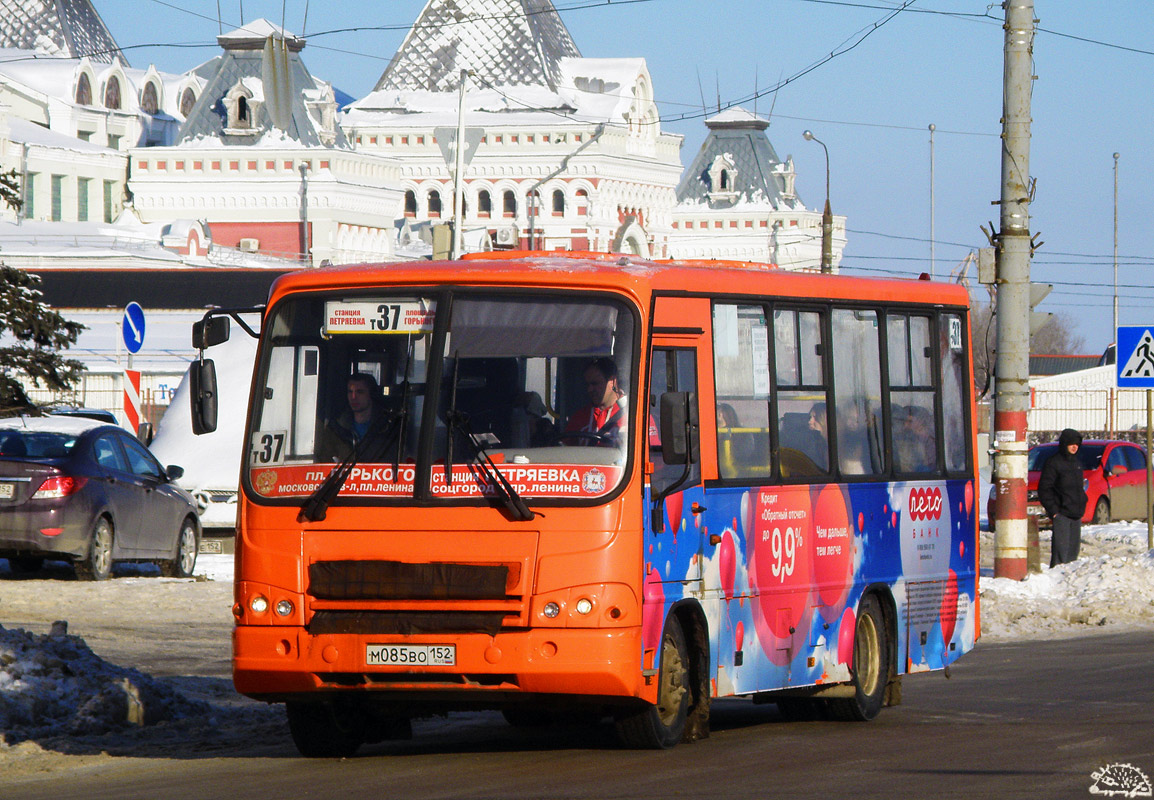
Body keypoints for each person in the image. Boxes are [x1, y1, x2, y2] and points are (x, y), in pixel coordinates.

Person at [315, 373, 397, 462]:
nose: (353, 397)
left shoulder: (388, 427)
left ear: (371, 394)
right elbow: (323, 462)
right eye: (350, 392)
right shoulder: (336, 428)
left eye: (360, 392)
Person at [1038, 428, 1088, 567]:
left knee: (1073, 554)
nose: (1074, 447)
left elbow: (1078, 487)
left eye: (1077, 444)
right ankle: (1056, 580)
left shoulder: (1077, 463)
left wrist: (1083, 502)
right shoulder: (1054, 463)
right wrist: (1054, 511)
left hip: (1076, 514)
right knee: (1061, 554)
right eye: (1071, 444)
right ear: (1064, 443)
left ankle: (1069, 583)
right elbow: (1044, 489)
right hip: (1061, 514)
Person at [563, 357, 627, 448]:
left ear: (612, 382)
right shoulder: (580, 417)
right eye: (588, 384)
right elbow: (564, 451)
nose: (590, 389)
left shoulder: (634, 415)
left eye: (595, 384)